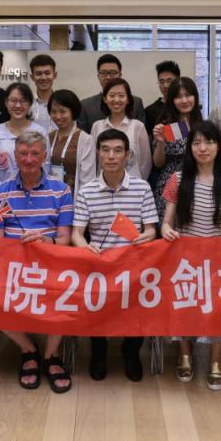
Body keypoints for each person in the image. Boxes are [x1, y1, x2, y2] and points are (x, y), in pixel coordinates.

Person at [0, 130, 74, 394]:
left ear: (44, 157)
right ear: (15, 157)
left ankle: (51, 356)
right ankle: (28, 349)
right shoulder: (1, 192)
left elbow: (65, 239)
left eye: (35, 154)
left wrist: (46, 242)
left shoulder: (61, 190)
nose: (29, 159)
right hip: (12, 268)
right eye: (23, 154)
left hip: (51, 265)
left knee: (67, 296)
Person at [161, 121, 221, 390]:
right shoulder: (177, 180)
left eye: (209, 142)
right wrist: (165, 230)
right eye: (196, 143)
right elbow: (167, 221)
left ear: (219, 146)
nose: (203, 148)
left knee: (217, 308)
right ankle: (185, 354)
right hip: (184, 258)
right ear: (189, 148)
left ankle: (216, 359)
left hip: (219, 259)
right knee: (184, 304)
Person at [72, 129, 159, 382]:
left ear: (127, 155)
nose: (111, 156)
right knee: (94, 303)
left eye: (118, 150)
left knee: (141, 302)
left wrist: (147, 236)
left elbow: (151, 229)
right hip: (99, 262)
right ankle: (98, 352)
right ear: (98, 154)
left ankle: (130, 352)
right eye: (105, 150)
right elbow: (77, 234)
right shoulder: (87, 191)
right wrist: (85, 247)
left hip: (133, 263)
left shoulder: (142, 188)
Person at [151, 77, 203, 220]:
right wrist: (161, 142)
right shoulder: (165, 126)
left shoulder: (203, 126)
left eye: (188, 95)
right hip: (170, 183)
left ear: (195, 96)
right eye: (178, 97)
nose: (184, 100)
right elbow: (158, 163)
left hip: (198, 183)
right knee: (169, 226)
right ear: (172, 100)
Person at [89, 78, 152, 180]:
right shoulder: (97, 126)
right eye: (112, 95)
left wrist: (138, 184)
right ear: (105, 99)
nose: (116, 100)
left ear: (128, 100)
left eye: (121, 96)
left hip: (132, 185)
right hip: (103, 184)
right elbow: (93, 160)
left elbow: (145, 163)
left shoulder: (137, 126)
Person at [0, 82, 47, 189]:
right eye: (13, 100)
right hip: (1, 192)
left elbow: (45, 164)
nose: (18, 105)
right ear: (6, 102)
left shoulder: (40, 131)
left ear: (30, 104)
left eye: (23, 101)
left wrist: (36, 189)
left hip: (35, 191)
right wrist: (0, 190)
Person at [45, 89, 96, 196]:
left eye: (63, 111)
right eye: (54, 112)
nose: (58, 116)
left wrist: (82, 202)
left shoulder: (85, 140)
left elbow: (88, 179)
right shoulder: (48, 137)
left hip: (74, 198)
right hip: (50, 198)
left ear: (73, 111)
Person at [78, 54, 146, 131]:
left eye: (113, 73)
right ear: (98, 76)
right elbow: (83, 136)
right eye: (103, 73)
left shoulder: (136, 103)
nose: (108, 77)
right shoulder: (86, 106)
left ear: (120, 75)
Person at [144, 60, 181, 136]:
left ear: (178, 80)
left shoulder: (185, 105)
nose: (165, 85)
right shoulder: (150, 111)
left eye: (169, 81)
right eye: (162, 82)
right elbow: (150, 138)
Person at [28, 53, 58, 133]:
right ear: (32, 77)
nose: (43, 78)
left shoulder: (63, 104)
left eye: (47, 73)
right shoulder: (27, 105)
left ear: (55, 75)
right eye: (38, 74)